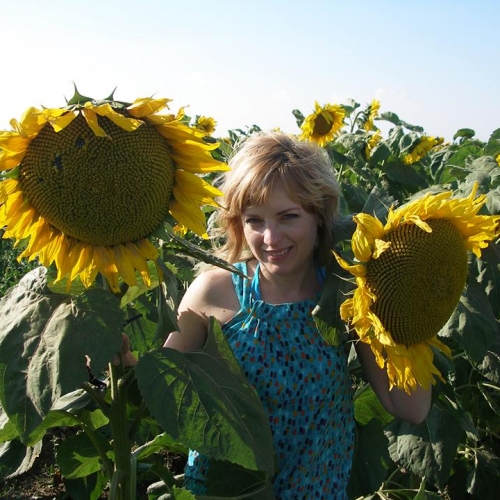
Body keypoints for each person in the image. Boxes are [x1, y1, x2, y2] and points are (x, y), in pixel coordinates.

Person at [126, 131, 432, 498]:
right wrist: (125, 361)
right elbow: (163, 389)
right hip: (228, 490)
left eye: (288, 216)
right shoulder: (214, 291)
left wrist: (413, 308)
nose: (270, 237)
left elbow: (409, 406)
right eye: (255, 220)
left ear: (319, 215)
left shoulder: (348, 297)